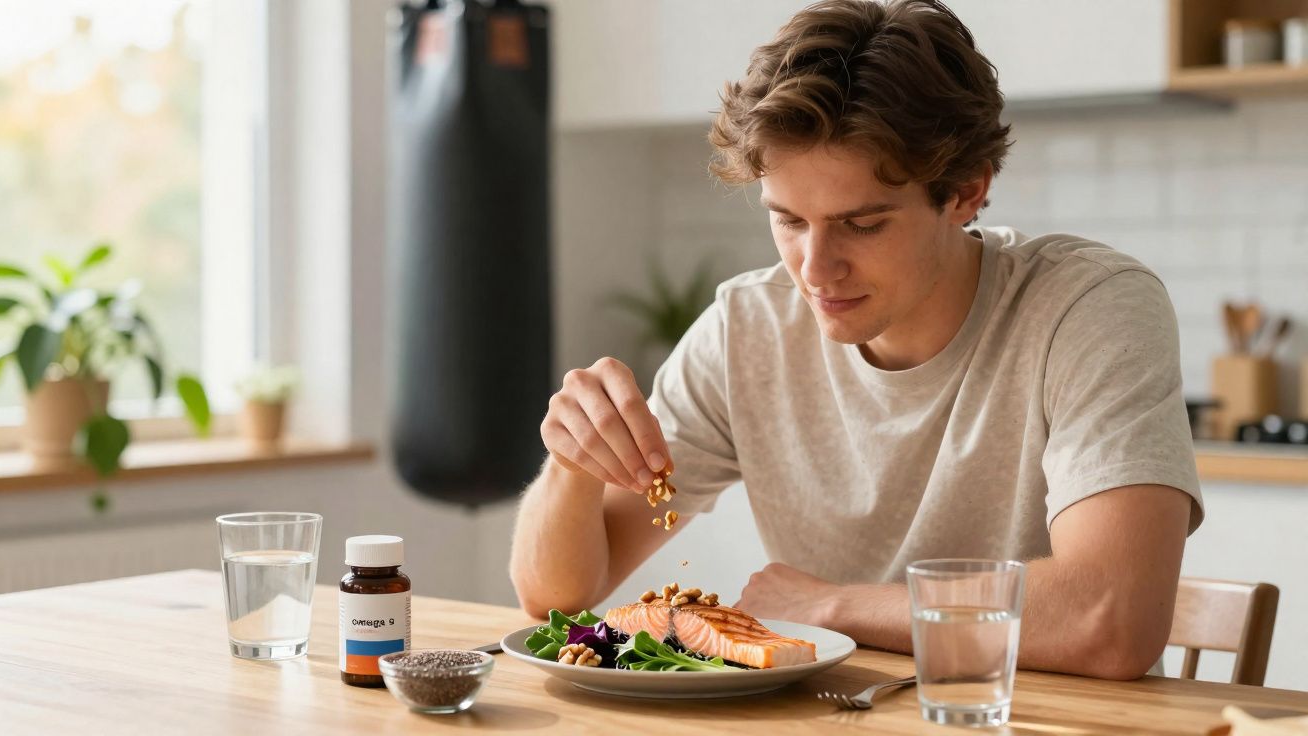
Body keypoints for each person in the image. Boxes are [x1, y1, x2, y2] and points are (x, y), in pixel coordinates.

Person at [509, 0, 1202, 680]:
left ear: (965, 191)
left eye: (862, 225)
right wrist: (571, 465)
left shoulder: (1085, 308)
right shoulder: (747, 330)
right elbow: (554, 601)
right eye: (787, 220)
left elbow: (1111, 619)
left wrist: (831, 605)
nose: (815, 270)